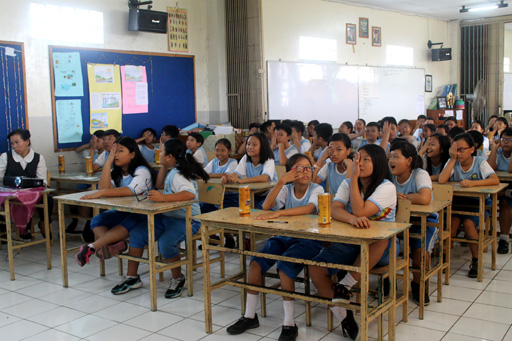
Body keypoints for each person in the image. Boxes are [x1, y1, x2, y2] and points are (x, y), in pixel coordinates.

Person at [226, 154, 324, 341]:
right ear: (289, 172)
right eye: (299, 168)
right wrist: (280, 183)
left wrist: (278, 214)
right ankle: (249, 316)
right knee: (255, 263)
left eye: (308, 168)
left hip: (308, 239)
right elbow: (265, 206)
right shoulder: (286, 189)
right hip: (283, 236)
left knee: (284, 268)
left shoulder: (317, 188)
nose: (305, 172)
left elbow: (309, 209)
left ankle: (289, 323)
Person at [309, 144, 397, 340]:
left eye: (366, 159)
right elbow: (334, 209)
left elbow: (360, 211)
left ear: (378, 163)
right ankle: (344, 316)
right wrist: (350, 219)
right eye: (358, 159)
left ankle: (346, 284)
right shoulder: (348, 183)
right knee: (315, 268)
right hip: (352, 243)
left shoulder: (386, 187)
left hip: (380, 250)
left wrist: (355, 180)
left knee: (380, 237)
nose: (360, 163)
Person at [111, 138, 209, 298]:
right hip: (168, 217)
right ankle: (132, 277)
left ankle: (178, 278)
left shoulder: (178, 174)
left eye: (161, 152)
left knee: (166, 243)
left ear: (170, 156)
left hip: (187, 219)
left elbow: (189, 194)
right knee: (137, 233)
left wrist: (163, 198)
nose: (159, 153)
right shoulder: (172, 170)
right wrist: (163, 170)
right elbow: (160, 185)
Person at [74, 136, 156, 267]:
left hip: (144, 215)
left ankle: (91, 247)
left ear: (132, 154)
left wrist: (101, 193)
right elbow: (104, 188)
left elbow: (131, 190)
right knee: (97, 220)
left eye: (120, 151)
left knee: (129, 222)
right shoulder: (116, 172)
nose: (116, 155)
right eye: (114, 152)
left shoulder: (142, 171)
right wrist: (108, 162)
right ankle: (114, 245)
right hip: (125, 212)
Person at [438, 133, 500, 278]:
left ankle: (476, 260)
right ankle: (444, 260)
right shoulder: (453, 162)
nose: (458, 153)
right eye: (455, 149)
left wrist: (473, 183)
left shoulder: (479, 162)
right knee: (450, 227)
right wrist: (452, 159)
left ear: (471, 149)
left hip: (477, 204)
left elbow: (494, 179)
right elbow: (442, 180)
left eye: (461, 150)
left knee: (468, 224)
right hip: (458, 204)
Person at [389, 139, 437, 305]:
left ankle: (419, 285)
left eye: (396, 157)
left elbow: (424, 198)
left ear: (409, 160)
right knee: (385, 246)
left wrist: (401, 197)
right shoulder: (389, 176)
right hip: (396, 222)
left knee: (419, 252)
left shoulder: (419, 174)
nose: (391, 161)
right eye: (390, 157)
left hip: (423, 222)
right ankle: (389, 281)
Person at [0, 129, 51, 238]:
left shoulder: (38, 158)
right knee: (18, 201)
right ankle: (24, 227)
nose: (14, 146)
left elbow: (42, 180)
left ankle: (44, 222)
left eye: (17, 142)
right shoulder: (6, 157)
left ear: (27, 141)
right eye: (12, 143)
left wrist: (40, 186)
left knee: (48, 199)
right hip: (13, 195)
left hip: (32, 193)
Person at [222, 132, 277, 209]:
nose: (250, 147)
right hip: (254, 194)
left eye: (254, 145)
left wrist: (243, 181)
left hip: (270, 196)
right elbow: (237, 173)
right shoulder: (246, 158)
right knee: (236, 205)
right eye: (248, 144)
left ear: (263, 147)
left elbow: (265, 177)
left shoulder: (268, 159)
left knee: (258, 210)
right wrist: (228, 177)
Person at [487, 127, 512, 254]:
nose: (505, 142)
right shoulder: (498, 152)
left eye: (509, 139)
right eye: (503, 139)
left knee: (505, 203)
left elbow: (511, 170)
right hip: (499, 185)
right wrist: (494, 149)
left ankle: (504, 239)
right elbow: (490, 168)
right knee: (491, 197)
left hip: (510, 184)